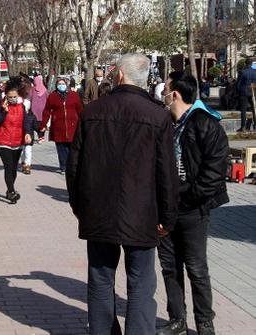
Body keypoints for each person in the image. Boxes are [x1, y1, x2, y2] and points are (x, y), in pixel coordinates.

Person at [66, 53, 179, 334]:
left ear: (118, 75)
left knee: (101, 278)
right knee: (141, 282)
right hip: (142, 212)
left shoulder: (92, 112)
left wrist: (80, 206)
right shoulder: (157, 115)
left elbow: (74, 167)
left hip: (99, 211)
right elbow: (167, 172)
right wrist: (168, 215)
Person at [156, 71, 229, 335]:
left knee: (196, 268)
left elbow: (215, 170)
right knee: (169, 266)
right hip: (165, 209)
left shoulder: (206, 123)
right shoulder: (163, 123)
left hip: (193, 209)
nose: (162, 93)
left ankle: (204, 323)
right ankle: (177, 319)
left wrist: (189, 199)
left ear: (174, 93)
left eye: (165, 89)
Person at [0, 77, 34, 204]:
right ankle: (11, 192)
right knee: (8, 166)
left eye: (14, 96)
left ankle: (9, 189)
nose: (12, 99)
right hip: (3, 141)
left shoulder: (22, 107)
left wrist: (28, 133)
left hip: (18, 141)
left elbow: (27, 121)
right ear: (6, 96)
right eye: (9, 96)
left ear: (18, 95)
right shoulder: (1, 106)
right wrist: (4, 111)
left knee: (14, 169)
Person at [40, 78, 83, 174]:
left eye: (63, 83)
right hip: (58, 126)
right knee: (61, 148)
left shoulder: (74, 95)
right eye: (59, 84)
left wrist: (82, 122)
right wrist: (43, 124)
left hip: (72, 126)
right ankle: (63, 166)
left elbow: (80, 109)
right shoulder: (52, 96)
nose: (61, 85)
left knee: (72, 149)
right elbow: (47, 111)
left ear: (67, 85)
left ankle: (72, 166)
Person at [236, 57, 256, 132]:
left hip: (244, 92)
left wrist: (238, 91)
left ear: (245, 63)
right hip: (253, 91)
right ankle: (255, 126)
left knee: (243, 110)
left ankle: (243, 127)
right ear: (251, 63)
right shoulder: (255, 72)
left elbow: (238, 84)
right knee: (254, 109)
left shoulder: (242, 72)